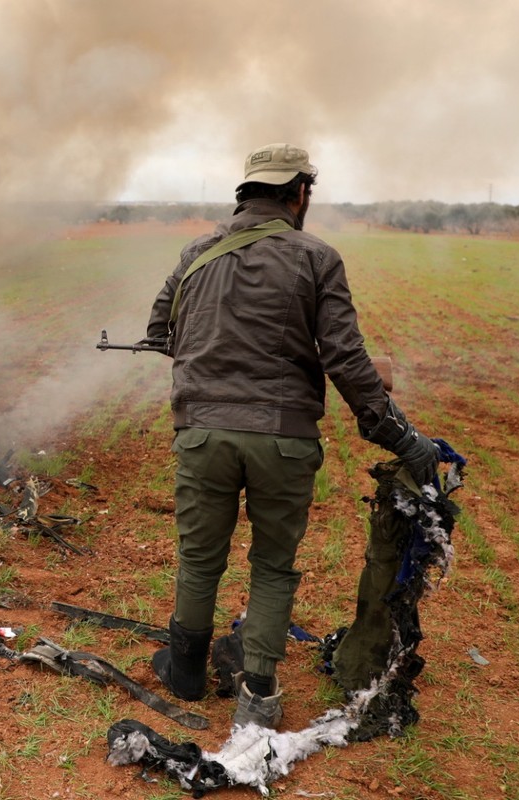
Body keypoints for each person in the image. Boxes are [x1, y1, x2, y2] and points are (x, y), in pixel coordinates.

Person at [143, 143, 439, 729]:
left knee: (200, 559)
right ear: (299, 193)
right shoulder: (318, 258)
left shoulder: (197, 253)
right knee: (273, 565)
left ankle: (186, 672)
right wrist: (402, 438)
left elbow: (159, 331)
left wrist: (214, 359)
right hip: (283, 439)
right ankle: (259, 697)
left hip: (202, 436)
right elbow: (349, 362)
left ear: (246, 193)